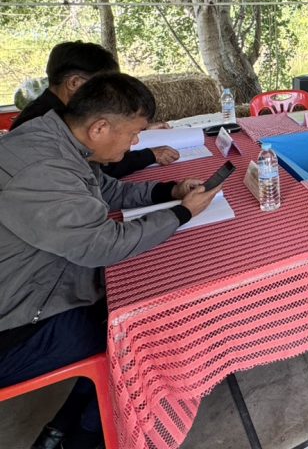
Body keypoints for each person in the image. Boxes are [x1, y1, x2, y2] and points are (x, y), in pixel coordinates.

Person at [0, 73, 218, 449]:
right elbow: (103, 245)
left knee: (136, 308)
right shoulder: (42, 171)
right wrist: (181, 214)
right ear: (100, 127)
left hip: (39, 291)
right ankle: (90, 438)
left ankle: (61, 430)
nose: (136, 143)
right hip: (16, 328)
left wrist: (168, 190)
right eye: (134, 134)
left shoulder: (57, 140)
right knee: (151, 339)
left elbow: (106, 191)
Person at [11, 41, 179, 176]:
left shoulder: (58, 111)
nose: (108, 92)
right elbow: (100, 169)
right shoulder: (42, 122)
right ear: (74, 83)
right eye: (100, 85)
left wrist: (134, 128)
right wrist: (150, 155)